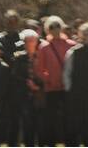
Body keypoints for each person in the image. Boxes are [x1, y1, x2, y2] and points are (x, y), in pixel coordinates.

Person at [35, 15, 75, 145]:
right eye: (51, 27)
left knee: (69, 116)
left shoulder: (72, 45)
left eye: (58, 25)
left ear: (62, 27)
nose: (55, 29)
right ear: (47, 29)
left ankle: (70, 143)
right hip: (51, 88)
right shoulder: (44, 47)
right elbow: (40, 69)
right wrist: (48, 80)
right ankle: (50, 143)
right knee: (50, 117)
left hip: (68, 88)